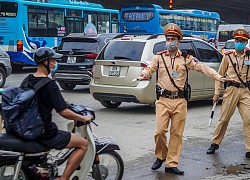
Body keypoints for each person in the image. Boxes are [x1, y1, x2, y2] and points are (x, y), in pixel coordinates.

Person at [139, 23, 230, 175]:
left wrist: (218, 77)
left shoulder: (186, 59)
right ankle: (161, 156)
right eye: (168, 39)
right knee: (160, 131)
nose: (170, 42)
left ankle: (171, 164)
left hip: (180, 102)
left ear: (178, 41)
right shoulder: (159, 57)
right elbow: (149, 69)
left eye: (173, 39)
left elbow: (202, 67)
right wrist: (144, 74)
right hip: (163, 100)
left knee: (176, 134)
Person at [26, 47, 92, 180]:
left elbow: (38, 100)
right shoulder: (50, 84)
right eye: (53, 60)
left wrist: (59, 101)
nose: (55, 63)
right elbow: (64, 112)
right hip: (44, 132)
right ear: (46, 62)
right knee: (83, 144)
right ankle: (64, 178)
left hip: (28, 128)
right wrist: (82, 117)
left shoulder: (28, 80)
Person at [207, 29, 250, 157]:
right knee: (224, 119)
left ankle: (249, 148)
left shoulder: (249, 56)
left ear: (246, 42)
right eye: (237, 40)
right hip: (231, 90)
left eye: (242, 41)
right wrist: (216, 93)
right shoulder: (228, 57)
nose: (239, 43)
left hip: (245, 91)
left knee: (248, 119)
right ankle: (215, 143)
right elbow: (219, 75)